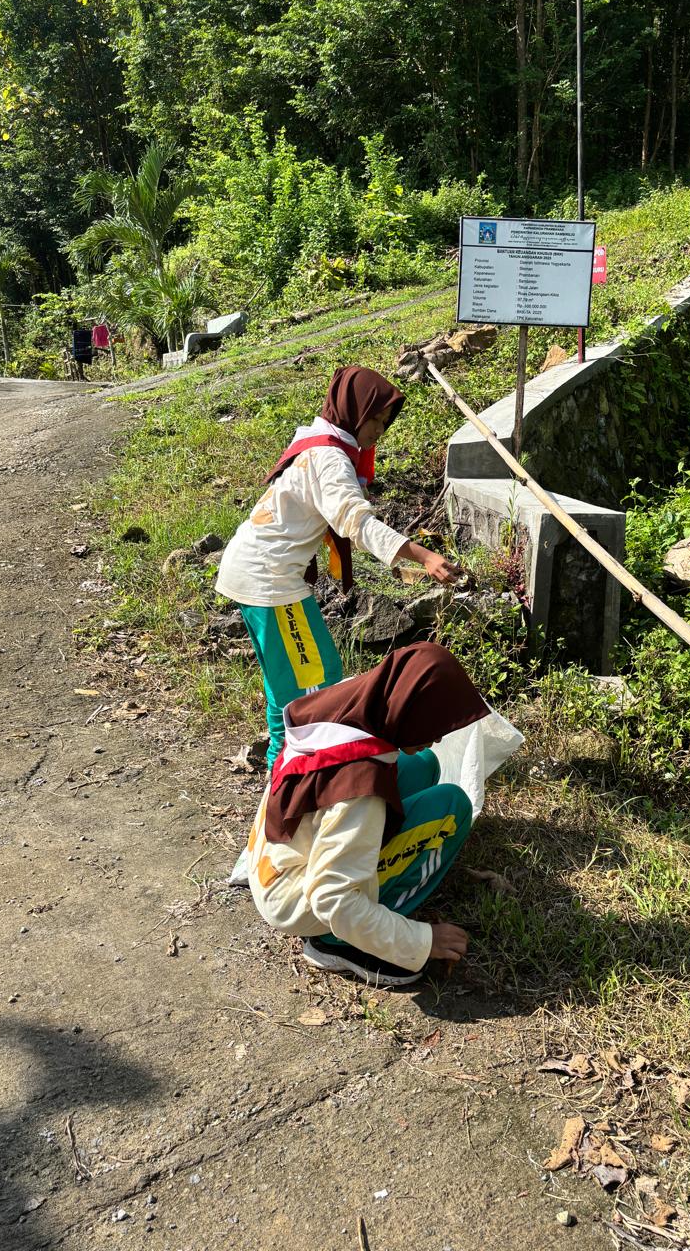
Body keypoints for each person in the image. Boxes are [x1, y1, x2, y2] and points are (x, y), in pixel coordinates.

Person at [215, 366, 461, 770]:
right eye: (376, 419)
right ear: (354, 411)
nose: (380, 430)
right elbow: (356, 524)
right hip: (269, 579)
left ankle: (281, 767)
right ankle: (299, 773)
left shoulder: (320, 443)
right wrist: (424, 556)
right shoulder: (330, 458)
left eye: (385, 421)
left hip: (255, 569)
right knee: (316, 683)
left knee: (288, 685)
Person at [245, 642, 488, 985]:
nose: (435, 739)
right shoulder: (360, 790)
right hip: (297, 902)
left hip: (271, 861)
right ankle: (336, 943)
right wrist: (421, 941)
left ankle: (351, 889)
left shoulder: (349, 700)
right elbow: (334, 900)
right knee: (453, 808)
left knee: (422, 763)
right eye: (432, 727)